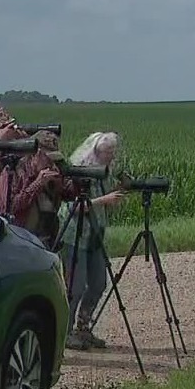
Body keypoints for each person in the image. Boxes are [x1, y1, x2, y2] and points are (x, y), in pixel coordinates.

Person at [58, 132, 126, 351]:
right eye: (108, 152)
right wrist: (104, 201)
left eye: (113, 152)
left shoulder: (102, 173)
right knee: (75, 287)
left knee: (98, 283)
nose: (111, 156)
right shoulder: (79, 170)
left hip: (95, 235)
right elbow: (73, 207)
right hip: (75, 236)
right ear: (96, 151)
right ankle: (65, 333)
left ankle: (84, 328)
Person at [0, 130, 77, 249]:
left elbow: (70, 194)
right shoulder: (13, 172)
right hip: (19, 240)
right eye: (48, 158)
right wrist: (38, 183)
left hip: (46, 240)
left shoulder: (54, 170)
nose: (51, 163)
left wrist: (76, 181)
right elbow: (11, 207)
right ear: (35, 154)